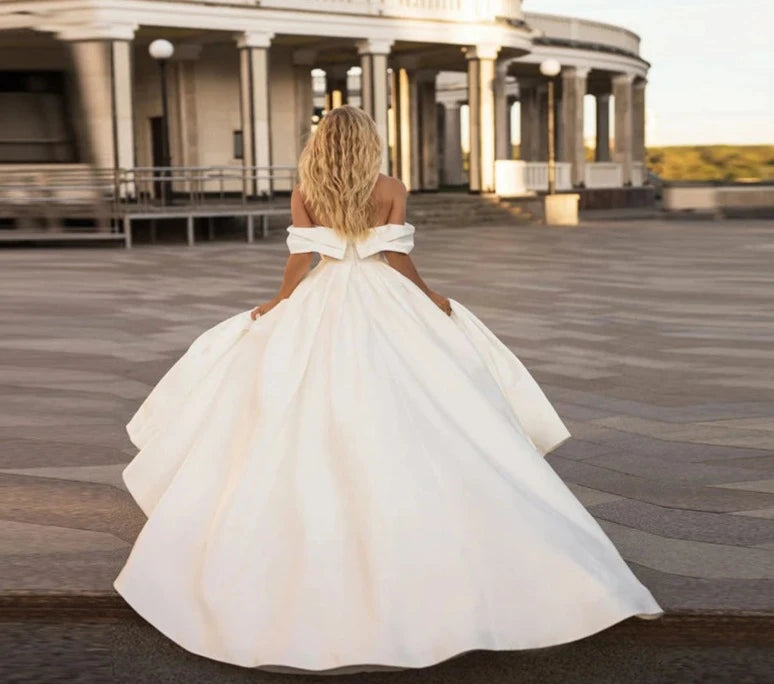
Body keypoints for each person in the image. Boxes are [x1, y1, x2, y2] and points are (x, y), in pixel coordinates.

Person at [114, 105, 662, 675]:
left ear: (323, 143)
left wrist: (280, 304)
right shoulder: (391, 187)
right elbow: (395, 256)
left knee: (290, 402)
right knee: (429, 404)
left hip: (322, 298)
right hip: (384, 297)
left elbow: (304, 258)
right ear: (369, 143)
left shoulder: (307, 191)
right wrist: (430, 301)